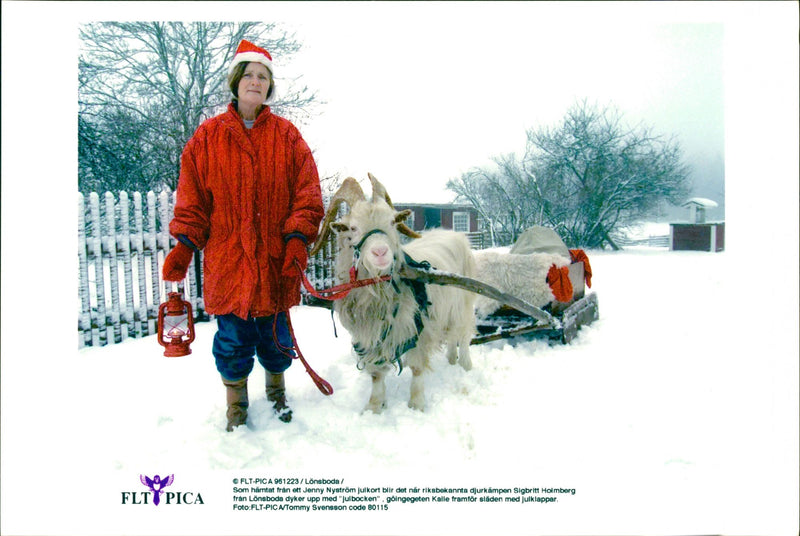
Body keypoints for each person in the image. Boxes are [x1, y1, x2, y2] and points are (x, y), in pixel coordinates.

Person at [162, 39, 324, 432]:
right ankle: (236, 406)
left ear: (270, 86)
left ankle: (277, 392)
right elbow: (192, 200)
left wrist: (298, 239)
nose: (255, 81)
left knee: (276, 340)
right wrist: (184, 243)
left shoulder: (288, 137)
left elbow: (307, 195)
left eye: (263, 76)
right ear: (236, 82)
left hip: (274, 264)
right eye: (249, 75)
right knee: (232, 342)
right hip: (228, 265)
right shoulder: (206, 138)